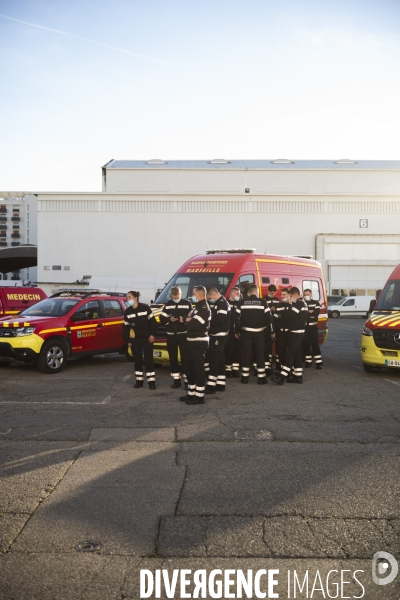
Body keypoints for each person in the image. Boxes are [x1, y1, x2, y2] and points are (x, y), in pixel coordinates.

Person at [235, 284, 274, 385]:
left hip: (246, 332)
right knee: (260, 354)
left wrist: (237, 330)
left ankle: (244, 378)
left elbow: (236, 318)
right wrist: (271, 332)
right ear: (257, 292)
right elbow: (269, 319)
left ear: (249, 293)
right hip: (259, 332)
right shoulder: (263, 302)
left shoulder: (242, 302)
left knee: (246, 354)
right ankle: (261, 378)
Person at [179, 286, 211, 405]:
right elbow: (191, 321)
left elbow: (194, 325)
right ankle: (191, 393)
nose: (192, 295)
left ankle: (199, 397)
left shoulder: (204, 308)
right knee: (189, 369)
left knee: (198, 370)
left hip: (199, 342)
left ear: (199, 295)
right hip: (191, 341)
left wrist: (188, 320)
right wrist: (189, 319)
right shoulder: (197, 307)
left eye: (193, 293)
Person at [271, 287, 308, 385]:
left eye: (291, 296)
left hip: (296, 333)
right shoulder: (302, 303)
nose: (290, 298)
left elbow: (291, 315)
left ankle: (282, 377)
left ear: (295, 295)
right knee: (297, 355)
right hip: (297, 332)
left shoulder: (299, 304)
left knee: (290, 355)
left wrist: (291, 304)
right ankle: (298, 376)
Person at [122, 290, 157, 389]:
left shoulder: (145, 308)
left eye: (129, 297)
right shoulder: (128, 311)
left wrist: (152, 334)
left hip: (147, 339)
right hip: (135, 340)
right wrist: (128, 340)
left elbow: (153, 323)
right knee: (137, 360)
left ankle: (151, 382)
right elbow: (125, 327)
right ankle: (139, 381)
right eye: (127, 297)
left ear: (135, 298)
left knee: (149, 360)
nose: (127, 299)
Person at [159, 286, 192, 388]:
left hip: (183, 335)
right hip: (171, 336)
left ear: (180, 294)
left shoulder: (187, 303)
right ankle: (176, 381)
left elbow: (192, 316)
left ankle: (187, 381)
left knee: (185, 359)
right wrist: (170, 319)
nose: (175, 298)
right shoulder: (168, 304)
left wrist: (185, 318)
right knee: (172, 359)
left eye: (177, 296)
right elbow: (162, 317)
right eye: (173, 296)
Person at [205, 287, 231, 393]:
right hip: (218, 335)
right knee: (220, 360)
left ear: (214, 295)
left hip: (219, 336)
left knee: (214, 360)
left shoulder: (222, 303)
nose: (210, 300)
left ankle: (211, 386)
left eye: (210, 297)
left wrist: (207, 322)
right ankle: (220, 384)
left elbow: (220, 320)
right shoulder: (219, 302)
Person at [302, 288, 322, 369]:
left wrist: (307, 313)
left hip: (313, 328)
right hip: (305, 328)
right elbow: (302, 315)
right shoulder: (302, 303)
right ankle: (308, 362)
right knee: (306, 345)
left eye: (308, 294)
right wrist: (309, 312)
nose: (306, 296)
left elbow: (316, 314)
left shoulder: (316, 303)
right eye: (305, 295)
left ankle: (318, 363)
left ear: (311, 294)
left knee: (315, 345)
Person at [225, 287, 242, 378]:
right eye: (237, 293)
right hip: (229, 331)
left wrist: (238, 330)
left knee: (237, 351)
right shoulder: (226, 303)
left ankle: (235, 370)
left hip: (238, 331)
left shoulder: (239, 303)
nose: (239, 295)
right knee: (229, 350)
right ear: (231, 294)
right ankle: (228, 370)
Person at [263, 284, 280, 374]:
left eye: (274, 293)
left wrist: (275, 310)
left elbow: (280, 311)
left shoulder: (277, 300)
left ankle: (278, 364)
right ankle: (267, 366)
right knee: (267, 347)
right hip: (267, 326)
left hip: (276, 325)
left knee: (278, 346)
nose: (273, 294)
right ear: (268, 291)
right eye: (271, 292)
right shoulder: (264, 300)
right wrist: (270, 309)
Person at [273, 287, 291, 372]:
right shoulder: (278, 306)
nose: (282, 296)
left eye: (284, 295)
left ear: (289, 295)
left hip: (290, 332)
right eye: (281, 295)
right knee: (280, 351)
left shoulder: (293, 306)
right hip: (280, 333)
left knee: (291, 352)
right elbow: (275, 320)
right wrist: (274, 332)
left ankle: (290, 370)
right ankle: (282, 369)